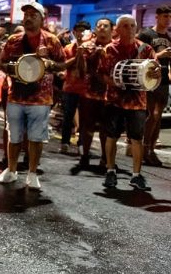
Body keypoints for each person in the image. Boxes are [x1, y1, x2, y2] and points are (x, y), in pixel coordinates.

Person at [0, 3, 66, 190]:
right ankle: (11, 170)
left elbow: (62, 64)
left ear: (42, 19)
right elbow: (1, 63)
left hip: (40, 98)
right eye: (26, 14)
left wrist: (49, 64)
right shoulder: (13, 40)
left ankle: (32, 173)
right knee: (14, 135)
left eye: (33, 15)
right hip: (16, 95)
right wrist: (8, 66)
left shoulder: (51, 40)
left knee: (36, 137)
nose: (28, 18)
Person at [101, 15, 160, 191]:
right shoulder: (110, 49)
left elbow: (155, 69)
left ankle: (136, 175)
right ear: (118, 29)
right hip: (115, 101)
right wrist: (114, 82)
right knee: (112, 136)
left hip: (137, 102)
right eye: (125, 26)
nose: (130, 29)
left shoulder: (146, 49)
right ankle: (110, 170)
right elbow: (102, 73)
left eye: (133, 25)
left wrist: (156, 73)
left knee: (137, 138)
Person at [76, 18, 113, 168]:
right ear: (95, 30)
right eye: (99, 26)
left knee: (107, 128)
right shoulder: (87, 46)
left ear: (112, 29)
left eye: (106, 26)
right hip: (89, 93)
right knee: (87, 127)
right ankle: (85, 155)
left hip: (110, 94)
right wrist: (82, 54)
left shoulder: (115, 47)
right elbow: (81, 71)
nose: (102, 28)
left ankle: (105, 158)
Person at [138, 5, 171, 167]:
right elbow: (139, 56)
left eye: (169, 16)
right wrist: (159, 54)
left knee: (158, 117)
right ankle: (144, 148)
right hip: (149, 78)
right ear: (157, 17)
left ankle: (151, 149)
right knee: (153, 114)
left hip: (163, 78)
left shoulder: (169, 36)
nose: (168, 19)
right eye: (165, 16)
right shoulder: (146, 34)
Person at [59, 21, 91, 154]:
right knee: (68, 116)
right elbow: (63, 64)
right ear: (74, 32)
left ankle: (82, 144)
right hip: (70, 87)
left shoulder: (91, 48)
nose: (81, 33)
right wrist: (77, 55)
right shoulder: (68, 48)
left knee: (85, 118)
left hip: (86, 88)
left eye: (84, 31)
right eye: (78, 30)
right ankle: (65, 142)